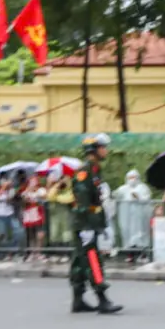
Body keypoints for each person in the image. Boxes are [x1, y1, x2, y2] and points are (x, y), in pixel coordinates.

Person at [69, 134, 121, 314]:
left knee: (79, 261)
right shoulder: (86, 172)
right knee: (93, 260)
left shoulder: (94, 170)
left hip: (87, 223)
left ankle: (78, 300)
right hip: (85, 224)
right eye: (103, 147)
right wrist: (88, 227)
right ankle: (102, 299)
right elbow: (83, 201)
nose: (105, 150)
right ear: (95, 150)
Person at [113, 169, 153, 261]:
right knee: (127, 235)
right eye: (130, 177)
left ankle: (143, 254)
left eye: (134, 177)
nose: (132, 179)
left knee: (141, 234)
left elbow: (147, 198)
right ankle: (130, 255)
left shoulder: (143, 187)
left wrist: (138, 197)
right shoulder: (123, 188)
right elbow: (116, 195)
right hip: (127, 217)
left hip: (139, 217)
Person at [20, 175, 47, 260]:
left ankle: (39, 252)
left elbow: (43, 197)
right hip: (29, 213)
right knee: (30, 234)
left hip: (38, 212)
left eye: (35, 181)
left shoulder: (41, 190)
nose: (33, 183)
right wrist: (28, 190)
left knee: (40, 233)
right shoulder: (26, 191)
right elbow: (23, 199)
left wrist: (36, 193)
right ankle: (31, 252)